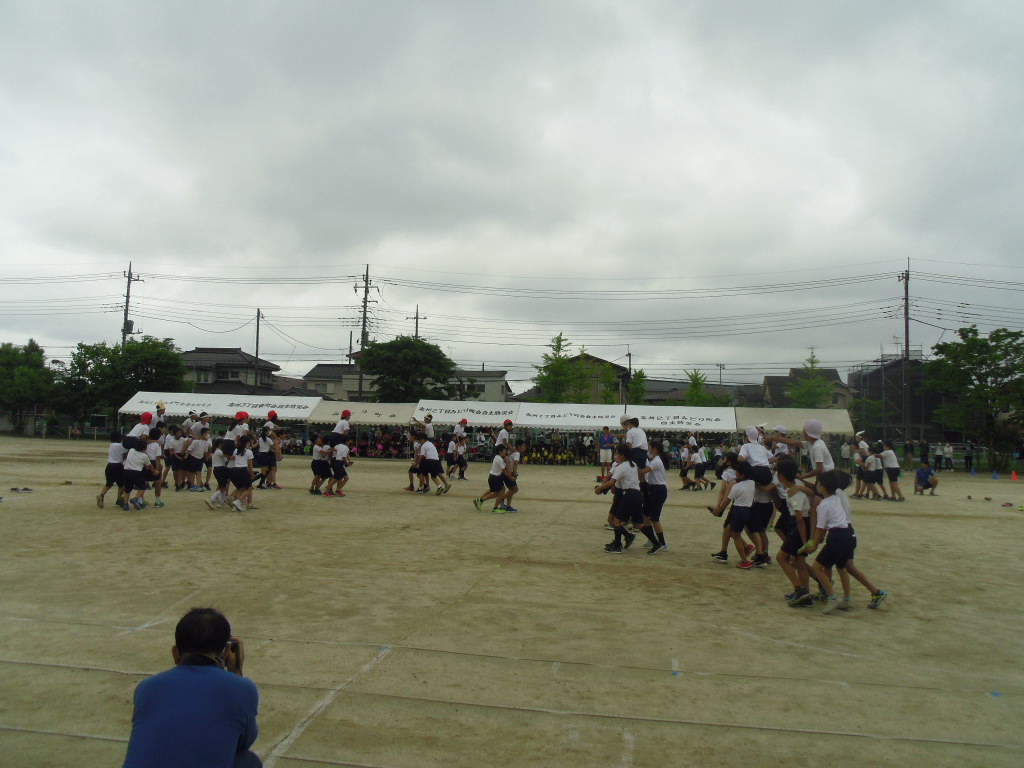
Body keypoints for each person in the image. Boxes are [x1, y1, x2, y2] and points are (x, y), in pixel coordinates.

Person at [122, 607, 260, 768]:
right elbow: (243, 742)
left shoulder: (146, 687)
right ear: (226, 653)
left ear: (175, 654)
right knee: (248, 761)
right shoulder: (241, 688)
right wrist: (235, 671)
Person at [98, 431, 127, 509]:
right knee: (122, 485)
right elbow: (126, 451)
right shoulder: (120, 446)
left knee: (108, 484)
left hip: (109, 465)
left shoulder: (111, 445)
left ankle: (101, 495)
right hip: (118, 466)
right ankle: (119, 499)